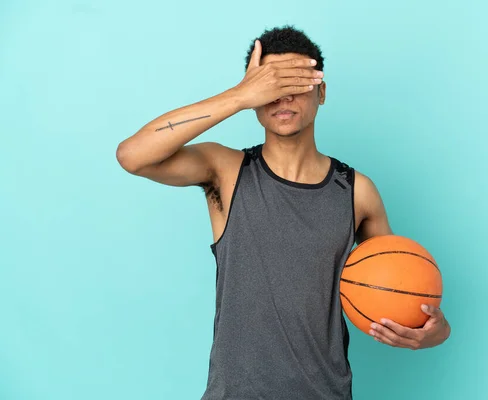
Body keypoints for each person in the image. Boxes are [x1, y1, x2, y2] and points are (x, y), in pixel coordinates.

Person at [116, 25, 451, 400]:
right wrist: (238, 95)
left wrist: (435, 331)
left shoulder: (357, 192)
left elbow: (396, 288)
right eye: (271, 86)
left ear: (321, 92)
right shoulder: (225, 171)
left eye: (296, 83)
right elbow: (133, 155)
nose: (282, 97)